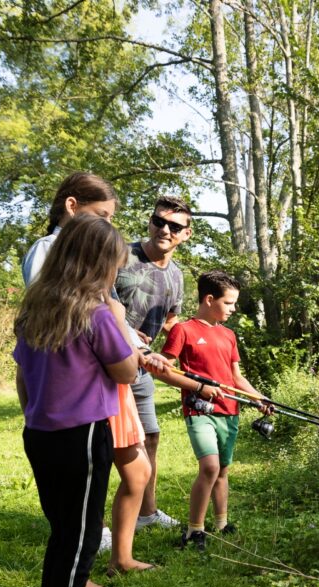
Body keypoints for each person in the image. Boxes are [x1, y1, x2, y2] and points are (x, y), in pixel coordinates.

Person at [13, 214, 137, 587]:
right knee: (81, 539)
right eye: (113, 266)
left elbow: (23, 376)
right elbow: (126, 371)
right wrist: (123, 325)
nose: (115, 274)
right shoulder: (97, 313)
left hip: (40, 433)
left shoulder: (34, 309)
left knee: (62, 533)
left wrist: (35, 413)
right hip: (83, 436)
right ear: (96, 264)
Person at [22, 173, 158, 580]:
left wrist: (141, 348)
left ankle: (109, 565)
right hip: (79, 408)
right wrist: (123, 338)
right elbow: (77, 331)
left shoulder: (78, 301)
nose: (108, 225)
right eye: (102, 215)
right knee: (75, 522)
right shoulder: (53, 259)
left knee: (82, 515)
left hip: (66, 412)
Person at [159, 271, 272, 550]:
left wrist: (259, 398)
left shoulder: (229, 335)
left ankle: (221, 523)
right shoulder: (182, 330)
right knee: (209, 466)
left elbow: (236, 377)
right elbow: (162, 370)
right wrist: (198, 387)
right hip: (200, 411)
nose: (233, 309)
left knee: (222, 469)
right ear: (209, 299)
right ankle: (193, 531)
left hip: (229, 410)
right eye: (229, 303)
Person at [115, 196, 193, 532]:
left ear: (185, 235)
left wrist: (197, 346)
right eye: (158, 221)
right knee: (107, 447)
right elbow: (96, 302)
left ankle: (147, 514)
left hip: (142, 367)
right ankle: (93, 526)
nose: (164, 229)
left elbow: (171, 322)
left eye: (174, 226)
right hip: (106, 363)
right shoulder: (121, 257)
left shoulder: (176, 276)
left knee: (150, 438)